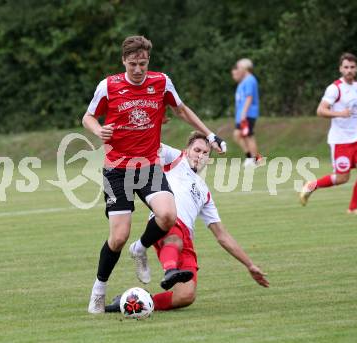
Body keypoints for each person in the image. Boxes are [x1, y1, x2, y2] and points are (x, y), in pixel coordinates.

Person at [82, 36, 226, 313]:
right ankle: (99, 289)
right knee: (118, 237)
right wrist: (98, 130)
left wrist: (210, 134)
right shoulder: (108, 86)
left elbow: (181, 110)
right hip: (117, 170)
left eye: (143, 63)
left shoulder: (161, 82)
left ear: (149, 60)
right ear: (124, 61)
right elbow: (87, 117)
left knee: (168, 215)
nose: (138, 69)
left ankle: (141, 247)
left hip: (148, 166)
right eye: (133, 64)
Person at [105, 132, 268, 313]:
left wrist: (250, 265)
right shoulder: (175, 159)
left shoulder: (204, 192)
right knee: (174, 239)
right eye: (197, 150)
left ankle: (131, 302)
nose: (200, 155)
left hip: (186, 239)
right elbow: (148, 142)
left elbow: (222, 236)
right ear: (186, 151)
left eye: (205, 153)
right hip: (164, 223)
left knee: (185, 296)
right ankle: (170, 270)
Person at [300, 52, 357, 215]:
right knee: (342, 178)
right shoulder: (335, 88)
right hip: (340, 140)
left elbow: (356, 107)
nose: (349, 70)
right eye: (346, 67)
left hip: (356, 138)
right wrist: (340, 114)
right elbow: (320, 110)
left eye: (352, 67)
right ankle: (311, 186)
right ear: (340, 69)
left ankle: (353, 208)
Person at [232, 59, 262, 167]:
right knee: (238, 135)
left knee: (248, 136)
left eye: (239, 67)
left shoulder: (250, 80)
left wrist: (244, 112)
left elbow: (249, 97)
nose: (237, 69)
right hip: (242, 114)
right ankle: (251, 157)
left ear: (245, 68)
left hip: (248, 113)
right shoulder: (243, 81)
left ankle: (256, 160)